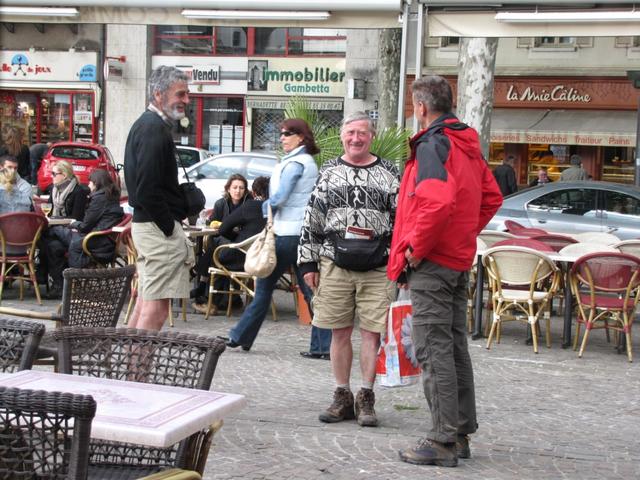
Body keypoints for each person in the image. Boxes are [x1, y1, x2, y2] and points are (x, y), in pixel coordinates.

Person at [388, 75, 503, 467]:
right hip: (455, 258)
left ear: (421, 107)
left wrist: (415, 251)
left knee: (434, 349)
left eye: (413, 106)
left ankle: (441, 439)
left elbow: (435, 204)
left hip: (434, 262)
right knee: (453, 348)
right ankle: (459, 433)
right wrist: (461, 234)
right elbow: (490, 197)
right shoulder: (465, 142)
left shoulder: (434, 144)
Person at [298, 112, 400, 428]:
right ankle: (342, 395)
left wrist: (400, 263)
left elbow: (401, 222)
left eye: (362, 133)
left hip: (378, 264)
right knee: (339, 331)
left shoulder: (389, 173)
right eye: (351, 133)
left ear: (372, 136)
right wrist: (308, 262)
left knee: (373, 333)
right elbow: (312, 217)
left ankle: (366, 396)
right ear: (343, 135)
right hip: (334, 261)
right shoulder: (328, 171)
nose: (356, 139)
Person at [226, 118, 319, 351]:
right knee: (308, 292)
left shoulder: (297, 163)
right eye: (282, 133)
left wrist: (263, 207)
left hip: (287, 234)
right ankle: (322, 345)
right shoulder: (301, 161)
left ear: (301, 137)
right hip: (297, 234)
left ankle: (240, 336)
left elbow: (281, 197)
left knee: (266, 287)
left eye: (287, 134)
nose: (282, 138)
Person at [124, 65, 192, 331]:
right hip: (156, 228)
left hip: (149, 226)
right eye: (181, 94)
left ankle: (124, 370)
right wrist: (168, 226)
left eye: (186, 94)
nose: (186, 101)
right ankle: (135, 373)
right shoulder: (152, 128)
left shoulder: (148, 125)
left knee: (145, 303)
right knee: (156, 309)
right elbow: (146, 189)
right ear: (158, 94)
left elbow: (144, 188)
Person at [192, 176, 269, 314]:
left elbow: (222, 230)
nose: (238, 191)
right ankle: (231, 300)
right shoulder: (275, 209)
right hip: (265, 258)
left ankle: (211, 303)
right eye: (235, 187)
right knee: (217, 251)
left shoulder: (249, 206)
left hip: (244, 257)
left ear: (253, 192)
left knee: (218, 257)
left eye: (242, 188)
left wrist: (236, 239)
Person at [45, 169, 124, 299]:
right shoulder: (111, 195)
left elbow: (85, 226)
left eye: (90, 183)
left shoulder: (99, 198)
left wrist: (73, 223)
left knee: (52, 231)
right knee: (54, 244)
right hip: (99, 237)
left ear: (96, 183)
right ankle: (60, 283)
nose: (88, 186)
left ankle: (63, 281)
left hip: (92, 239)